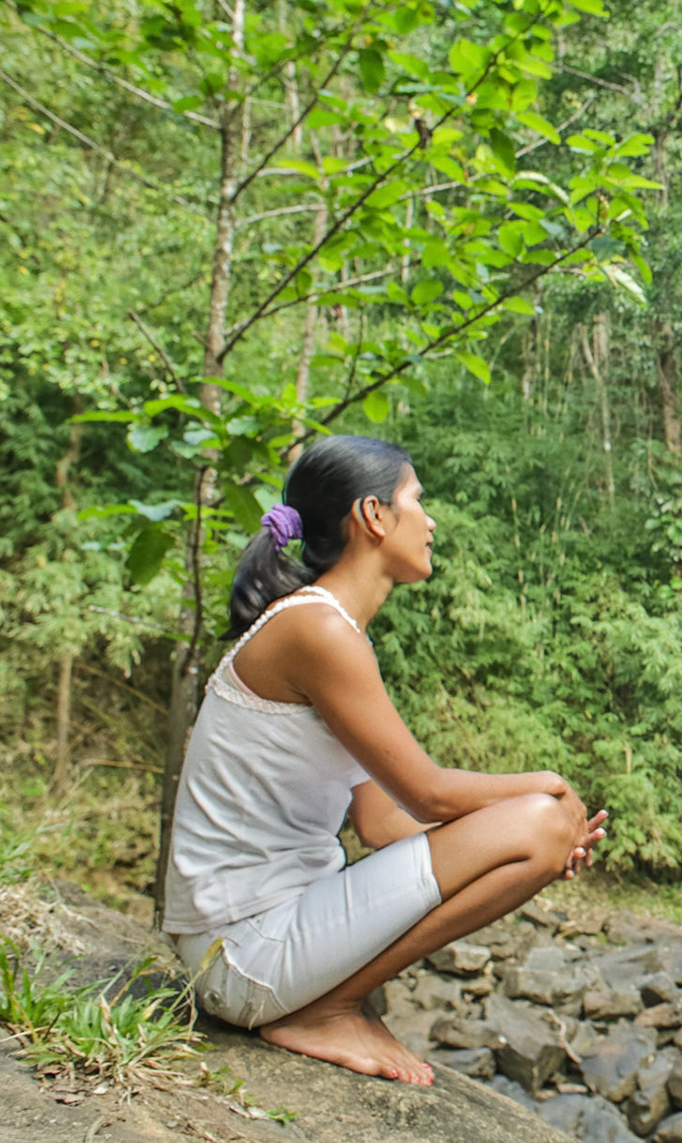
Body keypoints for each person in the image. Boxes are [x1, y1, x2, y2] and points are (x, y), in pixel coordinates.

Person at [162, 435, 608, 1084]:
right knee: (538, 819)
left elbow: (383, 824)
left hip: (262, 945)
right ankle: (328, 1010)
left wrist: (534, 847)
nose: (430, 522)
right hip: (239, 958)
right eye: (416, 500)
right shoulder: (316, 630)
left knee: (536, 831)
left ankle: (333, 1004)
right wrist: (551, 790)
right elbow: (428, 795)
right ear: (373, 515)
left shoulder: (331, 633)